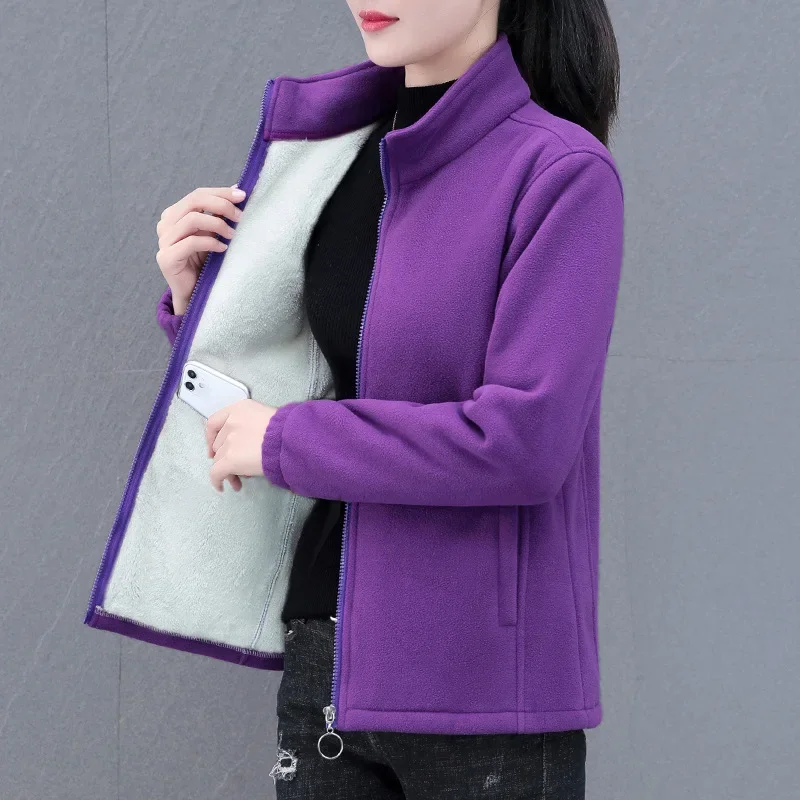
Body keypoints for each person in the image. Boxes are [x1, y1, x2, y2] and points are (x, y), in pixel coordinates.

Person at [148, 1, 623, 797]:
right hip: (325, 661)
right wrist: (203, 310)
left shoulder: (560, 172)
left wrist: (285, 441)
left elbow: (523, 444)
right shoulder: (327, 165)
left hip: (485, 690)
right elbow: (303, 401)